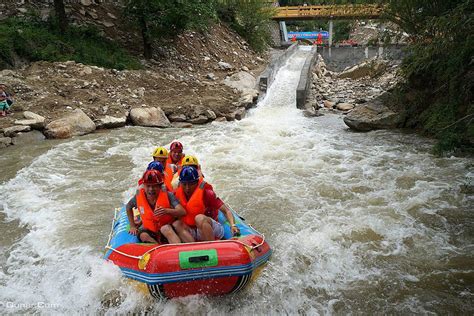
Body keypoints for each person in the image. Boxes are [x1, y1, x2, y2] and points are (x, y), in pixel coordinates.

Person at [172, 166, 240, 242]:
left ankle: (211, 247)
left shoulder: (208, 193)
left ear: (197, 182)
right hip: (191, 230)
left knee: (199, 218)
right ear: (180, 183)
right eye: (184, 184)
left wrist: (233, 225)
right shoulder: (175, 195)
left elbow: (226, 210)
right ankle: (194, 249)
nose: (187, 188)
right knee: (176, 224)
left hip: (212, 228)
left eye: (191, 184)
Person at [126, 170, 185, 244]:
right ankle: (157, 249)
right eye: (148, 186)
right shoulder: (138, 197)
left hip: (167, 227)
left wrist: (167, 211)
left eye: (154, 186)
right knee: (143, 235)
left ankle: (177, 250)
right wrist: (132, 226)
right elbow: (128, 207)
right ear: (144, 186)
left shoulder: (168, 195)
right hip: (150, 230)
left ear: (160, 186)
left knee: (166, 229)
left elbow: (182, 211)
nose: (151, 189)